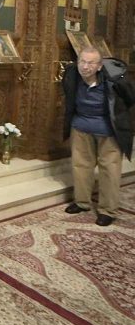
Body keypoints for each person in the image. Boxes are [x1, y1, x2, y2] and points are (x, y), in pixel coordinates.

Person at [62, 47, 135, 226]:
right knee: (81, 166)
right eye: (82, 61)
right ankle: (82, 202)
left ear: (100, 66)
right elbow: (69, 96)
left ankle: (108, 210)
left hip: (109, 131)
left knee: (109, 170)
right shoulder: (71, 74)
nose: (85, 67)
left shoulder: (115, 79)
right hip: (80, 127)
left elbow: (129, 98)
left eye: (90, 63)